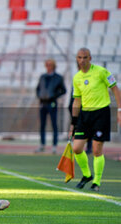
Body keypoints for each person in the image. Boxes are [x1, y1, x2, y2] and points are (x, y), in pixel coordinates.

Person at [70, 48, 121, 192]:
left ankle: (96, 182)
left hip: (101, 114)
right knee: (77, 148)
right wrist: (73, 123)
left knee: (97, 149)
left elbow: (115, 89)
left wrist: (119, 110)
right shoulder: (77, 77)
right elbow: (77, 101)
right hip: (85, 116)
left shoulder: (101, 72)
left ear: (90, 58)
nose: (82, 60)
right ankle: (87, 175)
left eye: (85, 57)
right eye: (79, 58)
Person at [35, 59, 66, 154]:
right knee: (42, 125)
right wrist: (39, 96)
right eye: (47, 65)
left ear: (53, 66)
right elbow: (38, 88)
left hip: (52, 103)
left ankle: (54, 146)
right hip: (43, 103)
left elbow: (63, 90)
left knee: (54, 125)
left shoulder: (58, 78)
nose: (48, 66)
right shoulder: (42, 77)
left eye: (50, 65)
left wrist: (54, 95)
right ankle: (42, 144)